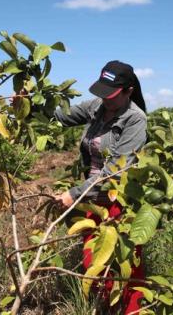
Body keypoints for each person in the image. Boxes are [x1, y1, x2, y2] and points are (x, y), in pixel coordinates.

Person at [54, 60, 147, 314]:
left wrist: (74, 194)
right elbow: (62, 116)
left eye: (112, 95)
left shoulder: (135, 120)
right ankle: (104, 308)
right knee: (93, 263)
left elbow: (114, 171)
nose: (105, 99)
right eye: (103, 93)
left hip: (118, 200)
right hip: (92, 197)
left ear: (129, 91)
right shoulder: (97, 106)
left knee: (125, 266)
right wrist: (32, 106)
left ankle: (132, 310)